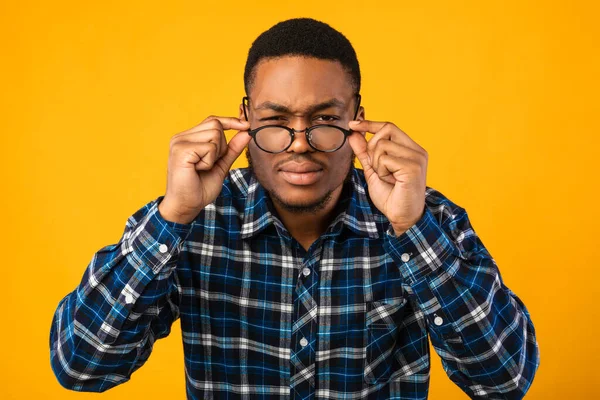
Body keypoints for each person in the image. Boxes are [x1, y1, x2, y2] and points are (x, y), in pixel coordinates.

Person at [49, 17, 540, 399]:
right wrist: (172, 218)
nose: (300, 144)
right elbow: (80, 366)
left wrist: (412, 229)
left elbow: (505, 379)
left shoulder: (424, 219)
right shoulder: (191, 223)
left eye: (325, 118)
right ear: (243, 120)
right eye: (276, 120)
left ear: (358, 120)